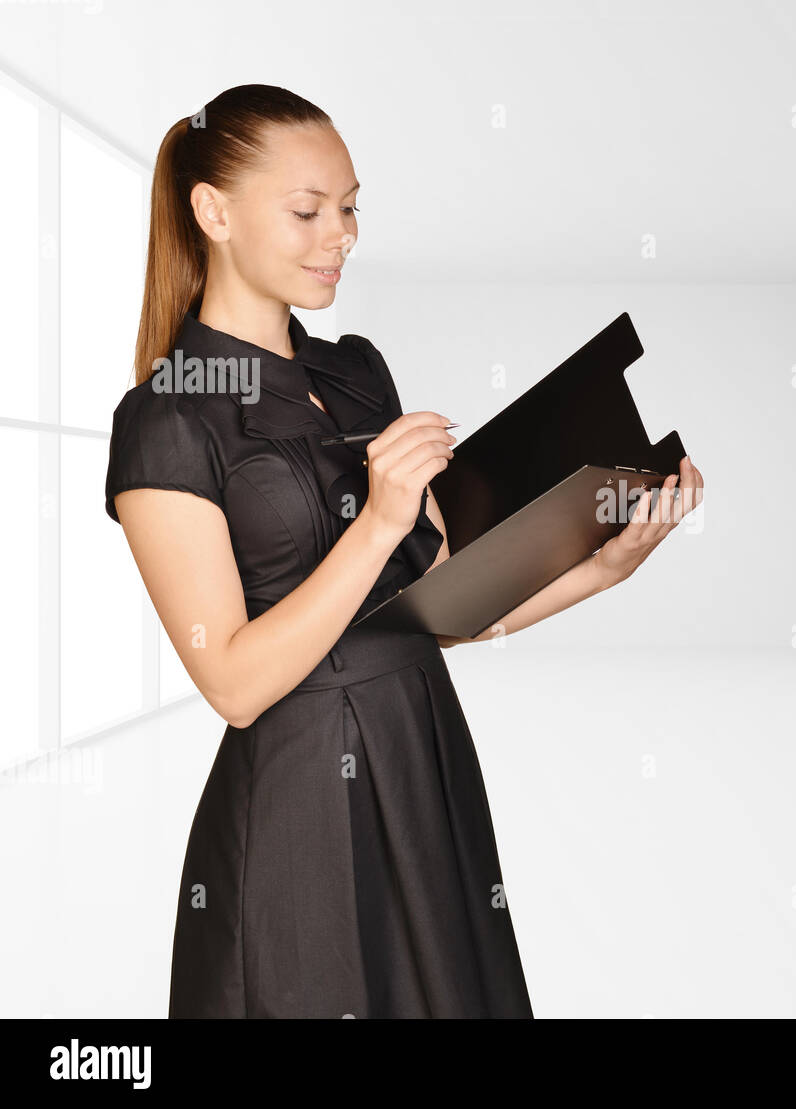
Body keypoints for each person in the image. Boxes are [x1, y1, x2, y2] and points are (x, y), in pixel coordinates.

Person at [104, 83, 703, 1018]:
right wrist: (379, 520)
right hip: (299, 802)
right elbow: (231, 679)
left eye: (348, 208)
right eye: (307, 211)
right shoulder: (166, 421)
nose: (339, 233)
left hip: (425, 763)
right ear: (211, 211)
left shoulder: (355, 372)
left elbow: (434, 611)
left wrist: (600, 567)